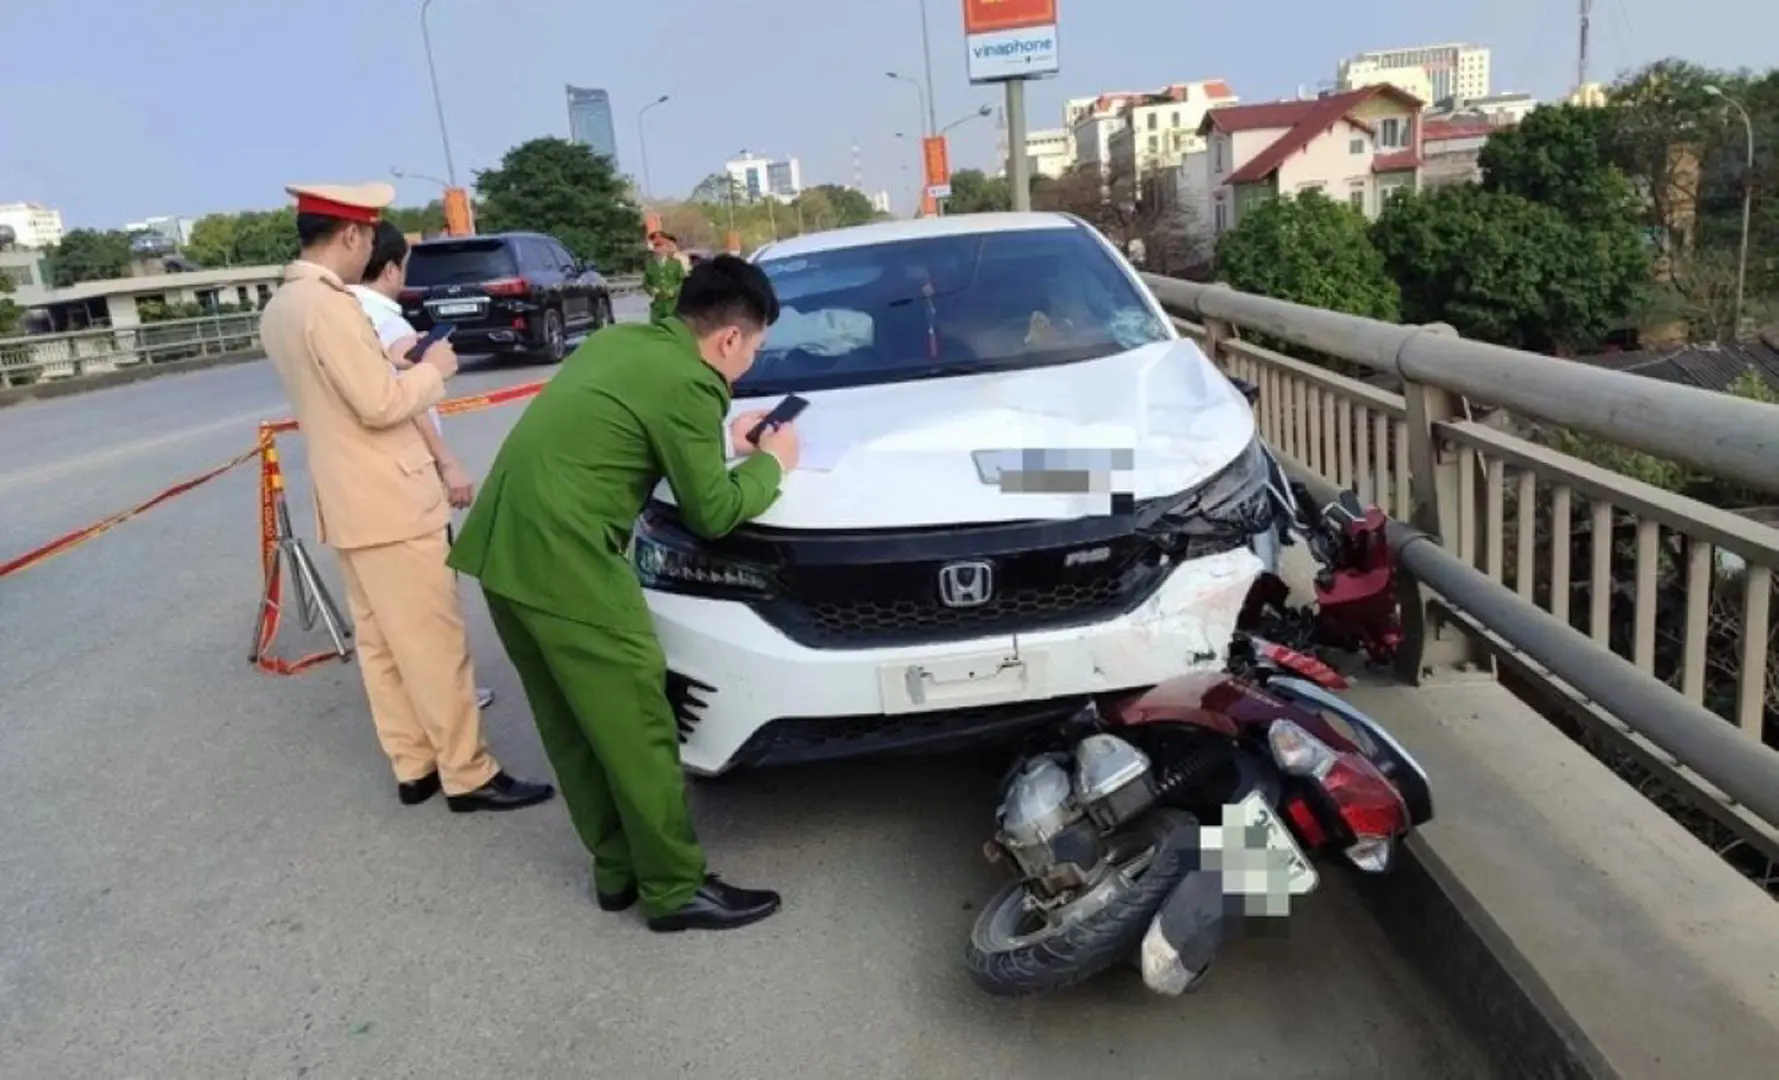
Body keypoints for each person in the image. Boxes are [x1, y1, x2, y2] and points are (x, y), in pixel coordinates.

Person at [448, 256, 799, 932]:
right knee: (638, 726)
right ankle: (672, 890)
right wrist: (770, 462)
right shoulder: (690, 384)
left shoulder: (621, 342)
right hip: (567, 563)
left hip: (502, 555)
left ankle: (616, 872)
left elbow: (626, 430)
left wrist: (716, 441)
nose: (750, 363)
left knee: (574, 727)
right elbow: (715, 512)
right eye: (753, 347)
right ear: (729, 339)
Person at [258, 181, 554, 815]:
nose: (367, 245)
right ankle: (468, 773)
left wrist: (394, 355)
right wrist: (434, 369)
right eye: (366, 234)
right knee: (435, 646)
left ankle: (413, 764)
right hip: (392, 500)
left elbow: (346, 386)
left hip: (348, 503)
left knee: (382, 645)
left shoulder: (283, 305)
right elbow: (380, 403)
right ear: (350, 236)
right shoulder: (331, 308)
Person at [347, 220, 494, 710]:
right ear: (390, 267)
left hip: (360, 492)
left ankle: (416, 730)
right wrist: (447, 463)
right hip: (407, 480)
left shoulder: (339, 314)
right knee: (433, 609)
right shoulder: (388, 323)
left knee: (381, 624)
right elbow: (401, 401)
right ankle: (454, 713)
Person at [643, 231, 690, 322]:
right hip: (658, 305)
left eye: (661, 246)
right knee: (657, 329)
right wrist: (652, 290)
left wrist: (674, 290)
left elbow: (682, 281)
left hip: (673, 304)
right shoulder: (650, 265)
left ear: (666, 248)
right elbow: (645, 283)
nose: (658, 249)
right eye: (656, 247)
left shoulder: (675, 264)